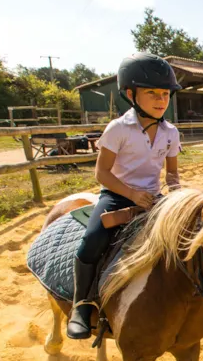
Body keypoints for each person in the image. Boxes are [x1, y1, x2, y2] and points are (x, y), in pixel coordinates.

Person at [66, 53, 183, 340]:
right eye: (152, 93)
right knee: (93, 240)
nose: (160, 100)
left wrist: (178, 196)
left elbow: (172, 175)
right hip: (118, 196)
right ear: (130, 94)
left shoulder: (171, 132)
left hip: (155, 199)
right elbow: (102, 174)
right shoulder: (118, 129)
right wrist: (132, 194)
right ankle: (81, 306)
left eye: (165, 93)